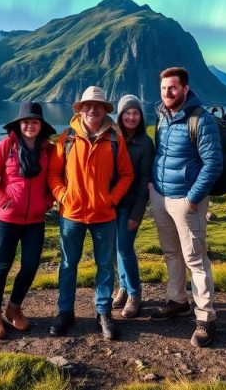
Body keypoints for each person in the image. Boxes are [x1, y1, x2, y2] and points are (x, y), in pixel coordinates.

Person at [48, 86, 134, 340]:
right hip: (71, 214)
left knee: (105, 266)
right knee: (67, 265)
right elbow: (53, 174)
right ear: (80, 109)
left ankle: (103, 312)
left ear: (104, 110)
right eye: (88, 105)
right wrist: (63, 195)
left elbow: (127, 174)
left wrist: (111, 198)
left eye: (98, 106)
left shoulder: (116, 140)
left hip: (104, 215)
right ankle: (65, 312)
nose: (93, 109)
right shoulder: (67, 138)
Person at [149, 67, 222, 348]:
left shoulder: (201, 120)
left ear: (186, 89)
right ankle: (178, 299)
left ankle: (206, 318)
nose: (168, 93)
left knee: (196, 259)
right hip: (161, 196)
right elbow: (162, 153)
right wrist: (153, 186)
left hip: (186, 200)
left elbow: (213, 163)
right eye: (164, 88)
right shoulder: (162, 117)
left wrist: (193, 197)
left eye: (173, 88)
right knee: (171, 252)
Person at [0, 102, 56, 340]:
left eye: (34, 122)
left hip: (35, 219)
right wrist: (2, 200)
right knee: (1, 265)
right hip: (7, 219)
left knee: (31, 265)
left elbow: (55, 178)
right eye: (26, 122)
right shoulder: (6, 146)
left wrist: (47, 201)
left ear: (41, 125)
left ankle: (14, 308)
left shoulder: (48, 150)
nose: (30, 125)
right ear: (19, 125)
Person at [111, 94, 153, 318]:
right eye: (127, 112)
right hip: (111, 204)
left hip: (130, 205)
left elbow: (145, 179)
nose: (131, 116)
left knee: (125, 248)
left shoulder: (145, 143)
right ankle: (123, 289)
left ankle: (135, 295)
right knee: (116, 249)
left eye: (135, 112)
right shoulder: (113, 139)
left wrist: (137, 212)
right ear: (119, 115)